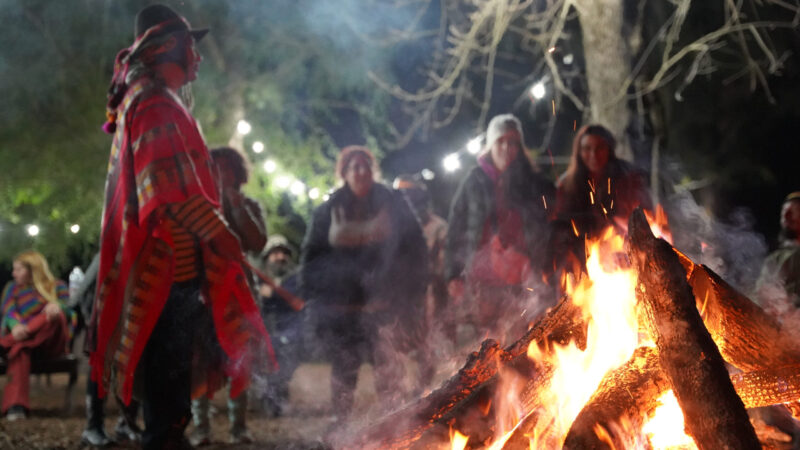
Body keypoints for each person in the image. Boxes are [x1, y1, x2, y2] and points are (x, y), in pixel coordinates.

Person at [90, 5, 273, 449]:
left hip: (174, 273)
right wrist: (222, 235)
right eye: (192, 45)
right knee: (168, 404)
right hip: (165, 274)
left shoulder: (151, 97)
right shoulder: (153, 101)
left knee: (171, 400)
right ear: (170, 46)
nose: (199, 56)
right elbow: (170, 195)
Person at [300, 146, 428, 419]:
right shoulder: (328, 210)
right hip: (342, 307)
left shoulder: (394, 204)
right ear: (344, 173)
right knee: (344, 371)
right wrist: (314, 297)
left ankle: (392, 423)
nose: (361, 172)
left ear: (373, 171)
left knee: (387, 368)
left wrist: (413, 292)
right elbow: (312, 255)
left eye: (365, 166)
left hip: (385, 304)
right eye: (354, 167)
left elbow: (416, 248)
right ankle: (341, 426)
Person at [445, 114, 555, 345]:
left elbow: (545, 223)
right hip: (481, 278)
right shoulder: (474, 180)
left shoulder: (531, 181)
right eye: (501, 141)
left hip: (521, 277)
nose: (507, 148)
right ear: (491, 144)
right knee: (485, 345)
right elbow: (456, 227)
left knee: (521, 342)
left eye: (513, 142)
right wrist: (453, 273)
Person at [189, 146, 267, 446]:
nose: (222, 174)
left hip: (239, 293)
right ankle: (201, 427)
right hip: (203, 292)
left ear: (238, 173)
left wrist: (237, 209)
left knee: (240, 359)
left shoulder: (249, 204)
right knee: (200, 360)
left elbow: (258, 242)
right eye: (215, 168)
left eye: (228, 169)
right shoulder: (195, 206)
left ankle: (238, 427)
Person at [71, 253, 141, 446]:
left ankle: (127, 424)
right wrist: (91, 318)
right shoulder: (108, 249)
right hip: (102, 318)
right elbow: (85, 289)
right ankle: (93, 427)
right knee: (99, 369)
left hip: (129, 317)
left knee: (133, 369)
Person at [0, 251, 73, 420]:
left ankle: (4, 343)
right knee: (20, 349)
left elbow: (69, 312)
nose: (13, 274)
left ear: (33, 270)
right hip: (24, 343)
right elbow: (8, 312)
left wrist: (57, 307)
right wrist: (15, 325)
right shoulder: (12, 289)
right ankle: (15, 407)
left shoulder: (57, 286)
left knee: (54, 314)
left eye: (18, 269)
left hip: (52, 343)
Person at [555, 124, 652, 238]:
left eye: (600, 147)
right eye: (587, 148)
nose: (593, 155)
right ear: (579, 152)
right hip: (582, 248)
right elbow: (560, 222)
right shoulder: (566, 185)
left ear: (609, 149)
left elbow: (642, 213)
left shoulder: (627, 177)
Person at [256, 235, 304, 417]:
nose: (280, 257)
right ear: (268, 257)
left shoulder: (295, 278)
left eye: (283, 253)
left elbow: (294, 300)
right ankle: (268, 397)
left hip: (289, 329)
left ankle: (277, 394)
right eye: (275, 253)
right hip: (264, 330)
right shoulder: (258, 279)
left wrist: (272, 294)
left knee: (284, 364)